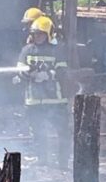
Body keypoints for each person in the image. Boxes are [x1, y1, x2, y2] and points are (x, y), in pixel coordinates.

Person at [13, 16, 70, 170]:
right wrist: (27, 75)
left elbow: (63, 72)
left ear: (48, 34)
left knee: (63, 133)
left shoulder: (57, 50)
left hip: (55, 101)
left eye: (40, 34)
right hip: (34, 101)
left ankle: (63, 164)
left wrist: (48, 75)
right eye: (34, 34)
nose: (36, 37)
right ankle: (42, 160)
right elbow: (20, 70)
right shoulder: (27, 50)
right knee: (38, 133)